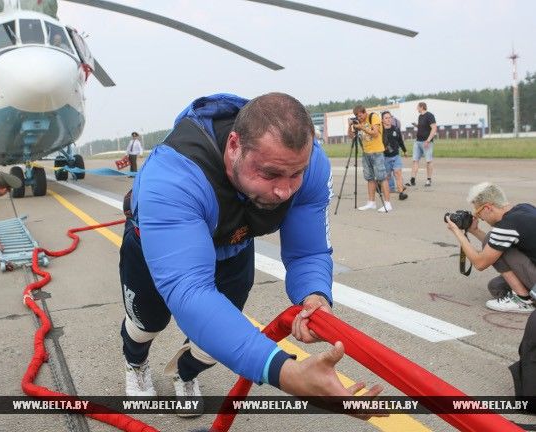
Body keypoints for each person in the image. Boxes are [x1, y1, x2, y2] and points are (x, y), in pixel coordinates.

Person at [118, 93, 382, 416]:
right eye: (270, 174)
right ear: (234, 146)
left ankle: (184, 373)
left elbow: (308, 250)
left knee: (212, 343)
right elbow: (190, 294)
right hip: (155, 247)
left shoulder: (307, 162)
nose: (285, 190)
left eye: (294, 174)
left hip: (233, 247)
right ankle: (135, 362)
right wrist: (289, 374)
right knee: (146, 322)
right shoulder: (172, 177)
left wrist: (315, 295)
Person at [445, 182, 536, 313]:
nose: (479, 218)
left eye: (478, 213)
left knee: (490, 239)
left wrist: (458, 233)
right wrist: (475, 231)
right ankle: (527, 296)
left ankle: (523, 300)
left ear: (487, 208)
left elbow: (480, 263)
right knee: (496, 287)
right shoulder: (524, 209)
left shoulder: (507, 226)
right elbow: (496, 245)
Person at [348, 105, 392, 212]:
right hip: (366, 153)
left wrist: (362, 127)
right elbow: (351, 136)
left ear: (364, 112)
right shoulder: (359, 122)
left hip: (377, 152)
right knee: (369, 178)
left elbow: (376, 134)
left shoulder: (373, 117)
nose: (360, 118)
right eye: (357, 116)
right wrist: (349, 126)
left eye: (361, 115)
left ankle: (387, 204)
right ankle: (371, 202)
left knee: (382, 177)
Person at [406, 102, 437, 187]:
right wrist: (416, 125)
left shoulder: (430, 115)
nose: (417, 109)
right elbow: (422, 127)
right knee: (415, 160)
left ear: (422, 107)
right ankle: (412, 180)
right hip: (418, 141)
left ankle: (429, 180)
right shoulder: (420, 116)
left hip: (426, 142)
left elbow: (434, 128)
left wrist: (428, 140)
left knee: (428, 161)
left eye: (418, 107)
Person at [381, 111, 408, 201]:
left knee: (398, 173)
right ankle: (389, 188)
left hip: (396, 155)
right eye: (386, 118)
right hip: (385, 157)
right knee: (388, 176)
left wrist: (404, 150)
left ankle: (401, 193)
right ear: (382, 120)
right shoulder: (380, 131)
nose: (389, 119)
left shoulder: (395, 129)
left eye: (390, 117)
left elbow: (400, 141)